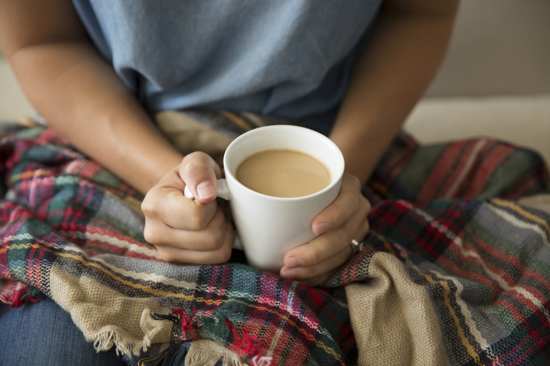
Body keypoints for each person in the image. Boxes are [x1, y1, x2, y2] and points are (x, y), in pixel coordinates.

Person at [0, 0, 458, 363]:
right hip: (110, 136)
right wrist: (167, 179)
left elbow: (419, 11)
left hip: (342, 146)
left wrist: (340, 175)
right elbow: (41, 40)